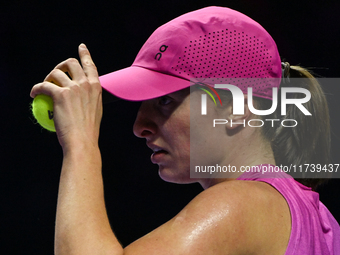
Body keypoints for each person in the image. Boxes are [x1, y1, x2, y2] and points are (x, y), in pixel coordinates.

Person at [30, 6, 339, 255]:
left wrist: (81, 145)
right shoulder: (323, 222)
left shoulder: (241, 204)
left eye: (164, 101)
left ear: (236, 109)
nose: (139, 127)